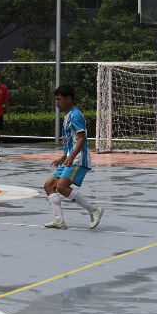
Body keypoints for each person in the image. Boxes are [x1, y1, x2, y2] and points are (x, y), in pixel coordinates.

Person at [44, 85, 103, 230]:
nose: (57, 103)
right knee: (49, 186)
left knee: (61, 187)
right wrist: (63, 157)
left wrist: (71, 157)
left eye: (59, 99)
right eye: (56, 99)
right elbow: (72, 141)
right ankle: (59, 220)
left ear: (69, 99)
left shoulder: (75, 115)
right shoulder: (68, 116)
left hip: (78, 159)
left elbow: (81, 138)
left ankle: (94, 210)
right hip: (71, 157)